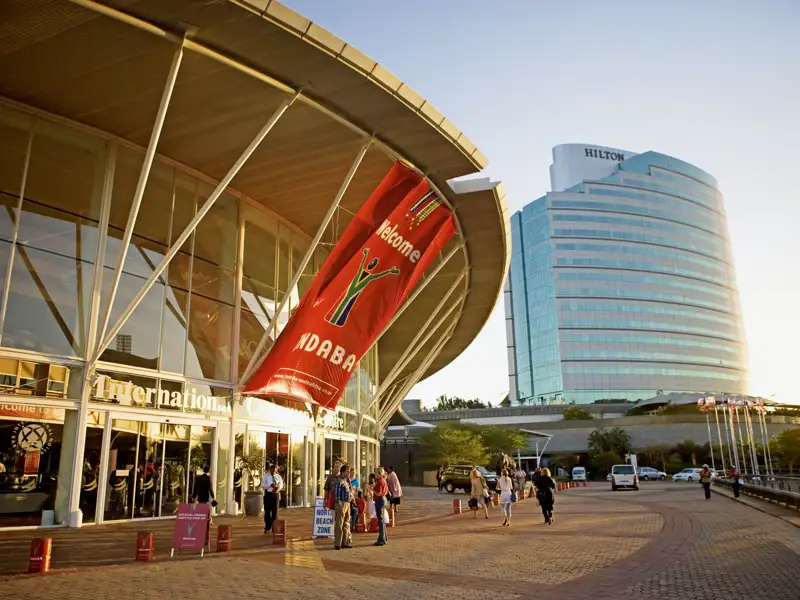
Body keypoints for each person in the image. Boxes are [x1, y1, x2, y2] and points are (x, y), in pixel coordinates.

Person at [333, 464, 353, 550]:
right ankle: (338, 543)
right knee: (339, 523)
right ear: (343, 472)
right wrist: (339, 503)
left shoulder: (346, 481)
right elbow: (336, 494)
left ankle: (345, 542)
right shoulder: (339, 481)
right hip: (341, 503)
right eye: (347, 471)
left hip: (347, 503)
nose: (349, 473)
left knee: (346, 523)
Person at [261, 463, 283, 533]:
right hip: (268, 495)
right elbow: (263, 485)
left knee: (275, 512)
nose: (273, 472)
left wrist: (278, 488)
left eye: (274, 471)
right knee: (267, 512)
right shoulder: (266, 476)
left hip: (275, 495)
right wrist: (269, 485)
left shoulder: (278, 476)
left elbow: (281, 485)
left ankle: (274, 528)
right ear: (270, 470)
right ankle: (267, 527)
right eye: (272, 470)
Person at [373, 467, 389, 546]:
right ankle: (384, 538)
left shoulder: (380, 482)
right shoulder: (384, 481)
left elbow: (378, 493)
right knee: (381, 520)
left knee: (380, 520)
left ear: (379, 474)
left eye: (376, 473)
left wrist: (372, 489)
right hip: (383, 499)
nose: (375, 475)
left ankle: (381, 539)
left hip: (379, 500)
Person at [349, 467, 360, 532]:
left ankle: (352, 526)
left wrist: (355, 492)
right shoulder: (347, 479)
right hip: (348, 498)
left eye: (353, 472)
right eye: (351, 472)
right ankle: (350, 526)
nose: (352, 473)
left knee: (355, 511)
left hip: (354, 499)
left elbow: (358, 490)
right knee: (350, 512)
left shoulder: (356, 481)